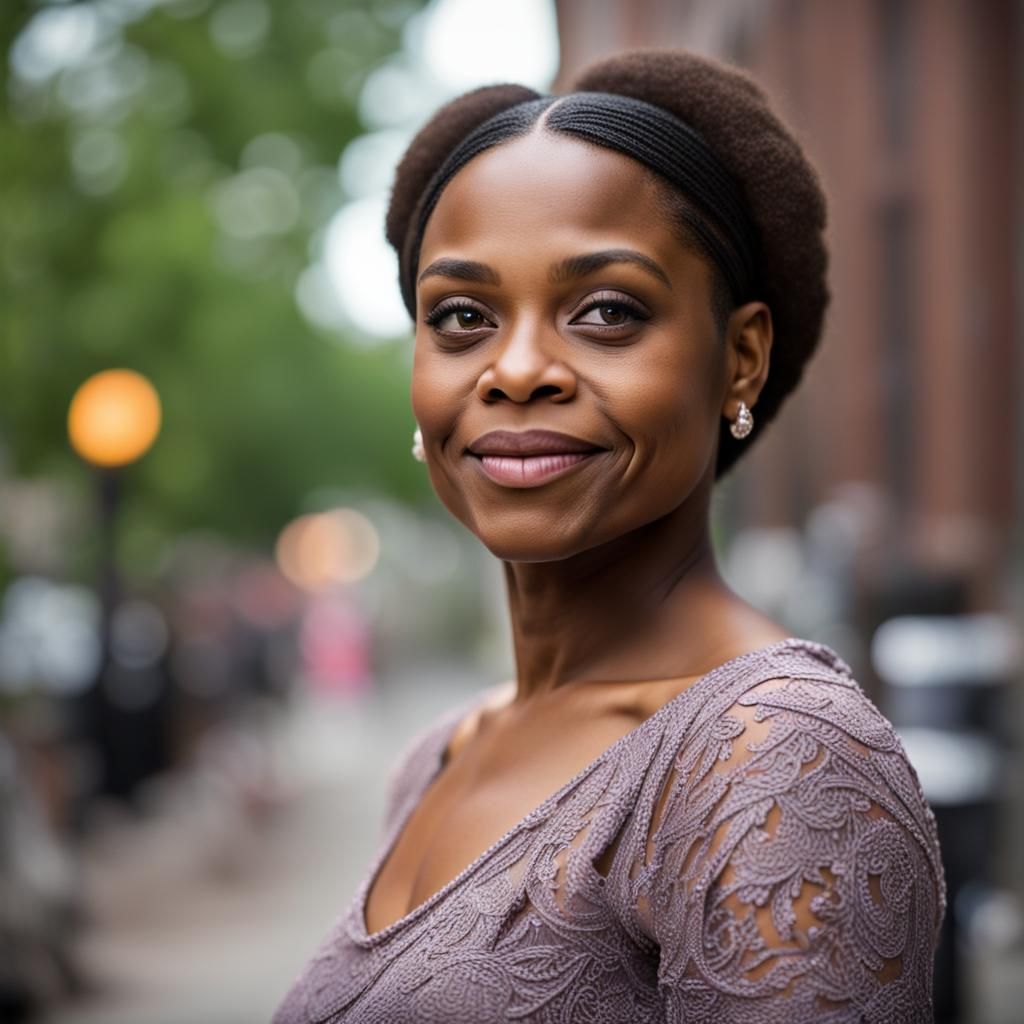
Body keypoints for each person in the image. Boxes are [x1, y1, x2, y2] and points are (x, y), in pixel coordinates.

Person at [274, 49, 945, 1023]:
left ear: (740, 359)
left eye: (606, 311)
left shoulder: (773, 756)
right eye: (460, 315)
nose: (515, 370)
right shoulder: (439, 756)